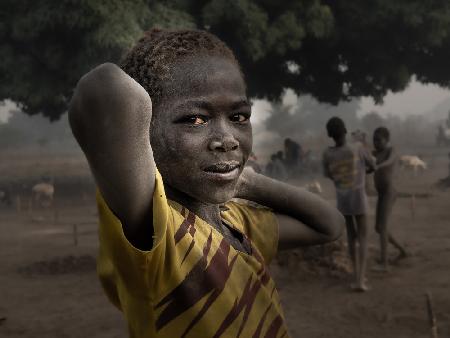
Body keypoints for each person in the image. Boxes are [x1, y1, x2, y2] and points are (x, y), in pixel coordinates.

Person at [69, 29, 344, 338]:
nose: (226, 140)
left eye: (239, 117)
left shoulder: (236, 222)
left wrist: (247, 183)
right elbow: (103, 88)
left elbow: (329, 225)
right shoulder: (158, 238)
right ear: (143, 132)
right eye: (195, 120)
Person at [322, 117, 375, 292]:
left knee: (352, 238)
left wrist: (342, 181)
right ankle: (361, 280)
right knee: (364, 238)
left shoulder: (328, 154)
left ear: (330, 135)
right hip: (359, 198)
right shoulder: (357, 148)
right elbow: (372, 165)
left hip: (343, 200)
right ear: (345, 130)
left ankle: (356, 276)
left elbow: (328, 174)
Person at [372, 127, 407, 271]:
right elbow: (366, 162)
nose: (375, 143)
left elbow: (390, 161)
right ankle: (402, 251)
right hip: (381, 193)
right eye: (374, 140)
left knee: (383, 227)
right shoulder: (375, 153)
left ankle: (384, 264)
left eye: (378, 140)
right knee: (379, 228)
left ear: (387, 140)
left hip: (389, 192)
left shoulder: (391, 151)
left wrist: (378, 165)